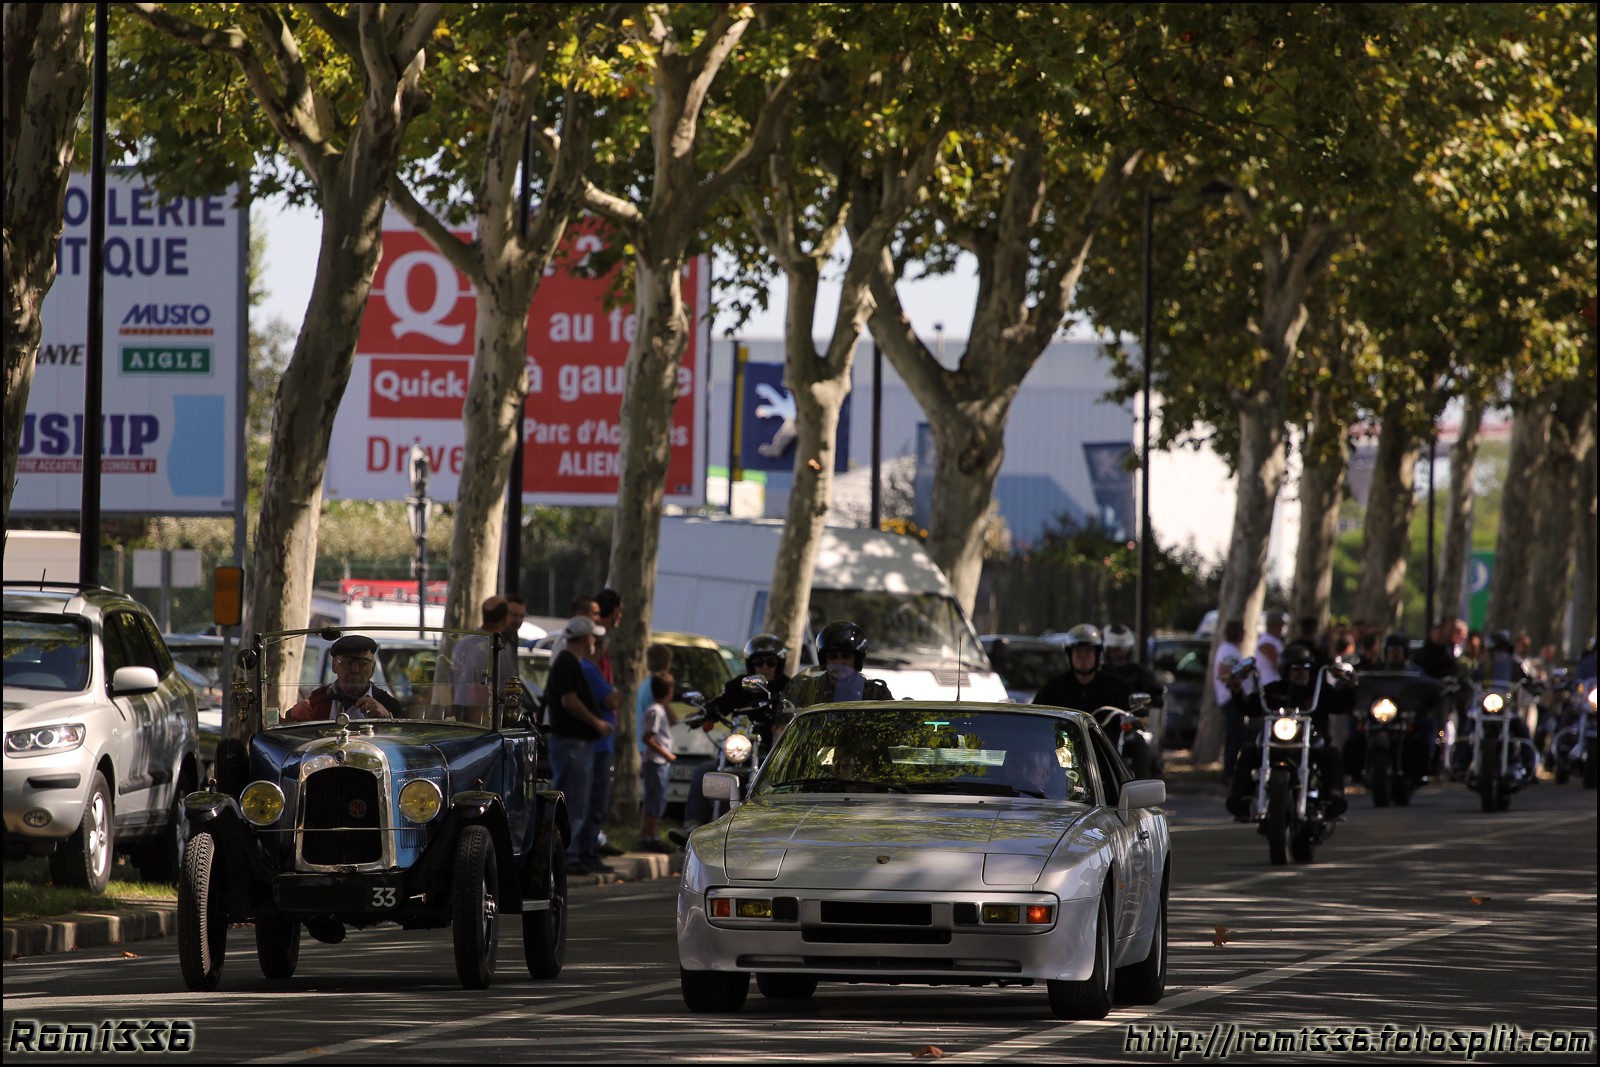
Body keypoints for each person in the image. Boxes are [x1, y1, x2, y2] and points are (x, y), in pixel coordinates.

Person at [681, 634, 794, 833]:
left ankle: (780, 829)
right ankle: (693, 827)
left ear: (779, 664)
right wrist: (703, 713)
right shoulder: (738, 685)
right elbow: (720, 702)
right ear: (751, 665)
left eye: (771, 662)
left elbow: (798, 709)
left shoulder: (789, 688)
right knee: (703, 771)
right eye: (759, 662)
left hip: (771, 753)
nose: (764, 667)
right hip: (739, 750)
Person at [1225, 642, 1347, 821]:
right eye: (1295, 668)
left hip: (1311, 742)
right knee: (1250, 751)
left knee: (1331, 754)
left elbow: (1342, 704)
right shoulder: (1273, 690)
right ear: (1285, 670)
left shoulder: (1319, 690)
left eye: (1305, 668)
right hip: (1277, 741)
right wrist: (1237, 692)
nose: (1301, 673)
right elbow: (1250, 707)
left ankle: (1333, 799)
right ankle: (1240, 800)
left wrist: (1350, 687)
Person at [543, 615, 613, 877]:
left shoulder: (568, 661)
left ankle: (572, 853)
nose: (595, 641)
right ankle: (568, 855)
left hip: (574, 742)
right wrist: (597, 723)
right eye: (593, 637)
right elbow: (570, 701)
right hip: (572, 742)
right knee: (574, 800)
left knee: (576, 798)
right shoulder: (568, 663)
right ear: (586, 639)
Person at [1035, 623, 1154, 778]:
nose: (1083, 657)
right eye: (1078, 652)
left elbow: (1135, 709)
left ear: (1098, 654)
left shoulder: (1116, 685)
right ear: (1069, 655)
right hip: (1064, 747)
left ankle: (1141, 796)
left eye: (1089, 652)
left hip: (1107, 748)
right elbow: (1037, 711)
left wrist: (1139, 714)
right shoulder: (1054, 688)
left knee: (1138, 743)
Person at [578, 627, 624, 867]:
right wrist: (614, 693)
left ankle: (586, 850)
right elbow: (611, 698)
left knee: (594, 800)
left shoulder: (589, 668)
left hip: (598, 744)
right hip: (598, 746)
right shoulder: (589, 668)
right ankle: (586, 852)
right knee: (595, 800)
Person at [286, 635, 401, 721]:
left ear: (372, 668)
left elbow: (403, 739)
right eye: (347, 662)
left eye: (363, 663)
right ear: (334, 665)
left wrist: (387, 718)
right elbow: (287, 727)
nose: (355, 669)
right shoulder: (319, 698)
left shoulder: (388, 705)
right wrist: (294, 713)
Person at [788, 621, 892, 707]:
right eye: (833, 656)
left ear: (856, 660)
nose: (839, 662)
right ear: (825, 660)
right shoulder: (807, 690)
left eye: (846, 656)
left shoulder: (875, 694)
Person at [452, 594, 519, 709]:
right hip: (485, 719)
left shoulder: (461, 644)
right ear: (504, 618)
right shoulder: (499, 650)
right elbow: (508, 690)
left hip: (459, 715)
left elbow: (452, 684)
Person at [637, 673, 677, 854]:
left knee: (657, 799)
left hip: (659, 762)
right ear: (670, 691)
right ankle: (650, 836)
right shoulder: (655, 711)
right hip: (656, 762)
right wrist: (666, 754)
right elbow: (647, 737)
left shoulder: (660, 709)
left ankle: (648, 835)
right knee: (655, 799)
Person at [1211, 620, 1252, 778]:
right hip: (1231, 699)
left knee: (1233, 736)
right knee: (1237, 736)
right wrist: (1236, 687)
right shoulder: (1228, 651)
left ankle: (1229, 770)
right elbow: (1223, 673)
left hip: (1231, 699)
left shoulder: (1229, 649)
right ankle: (1229, 772)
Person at [1100, 623, 1164, 714]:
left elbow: (1156, 696)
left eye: (1124, 649)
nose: (1120, 654)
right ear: (1105, 650)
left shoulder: (1140, 673)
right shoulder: (1098, 674)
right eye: (1115, 649)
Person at [593, 589, 622, 684]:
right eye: (620, 610)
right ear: (615, 611)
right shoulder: (593, 640)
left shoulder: (600, 638)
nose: (620, 616)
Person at [1255, 611, 1288, 687]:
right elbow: (1277, 664)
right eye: (1280, 625)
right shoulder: (1266, 642)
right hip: (1269, 683)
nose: (1282, 628)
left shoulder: (1275, 640)